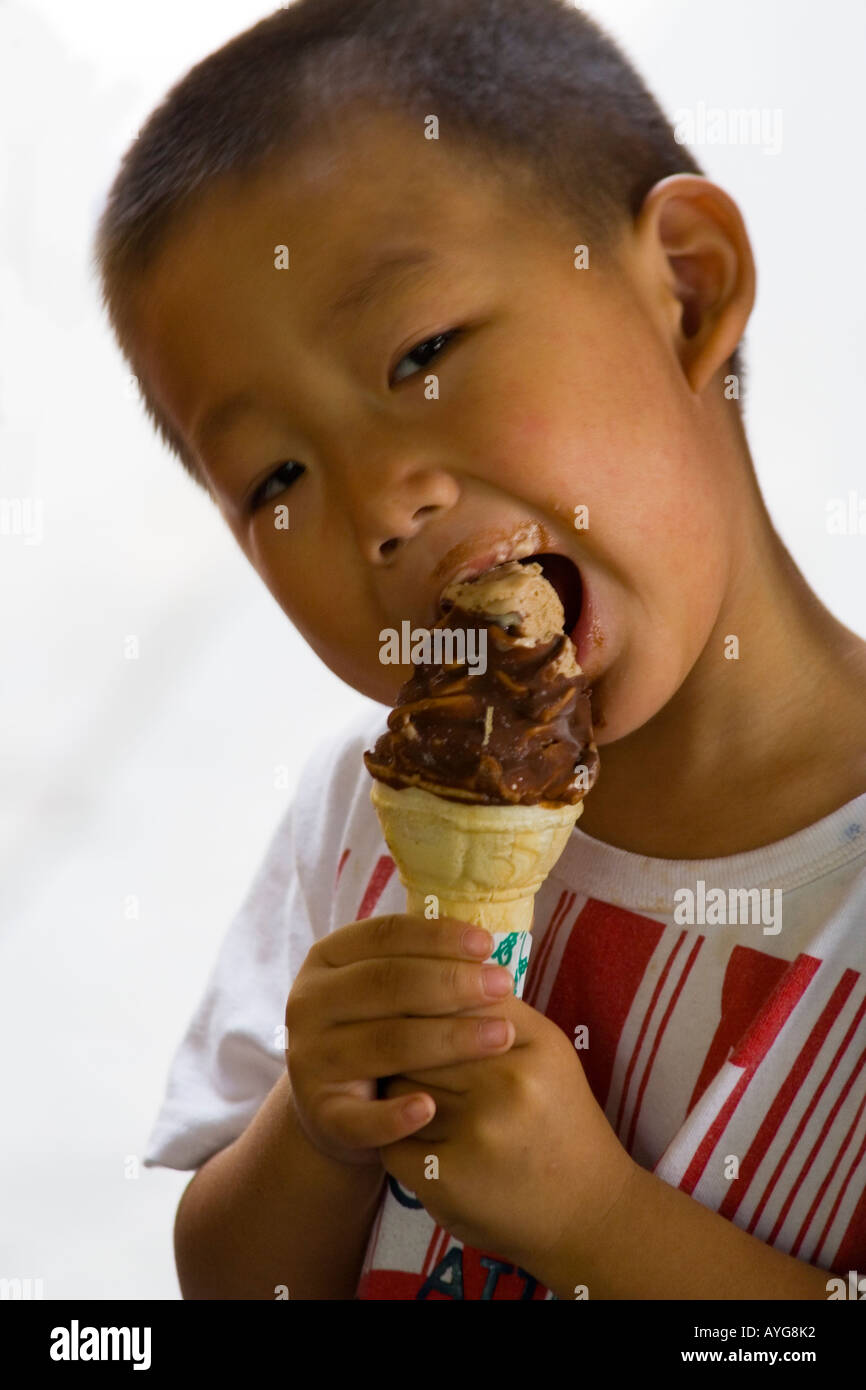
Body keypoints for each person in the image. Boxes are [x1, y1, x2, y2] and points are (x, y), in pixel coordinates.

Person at [93, 0, 866, 1300]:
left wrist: (601, 1227)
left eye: (422, 353)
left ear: (684, 287)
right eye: (275, 475)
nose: (378, 501)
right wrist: (314, 1133)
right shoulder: (362, 817)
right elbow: (226, 1282)